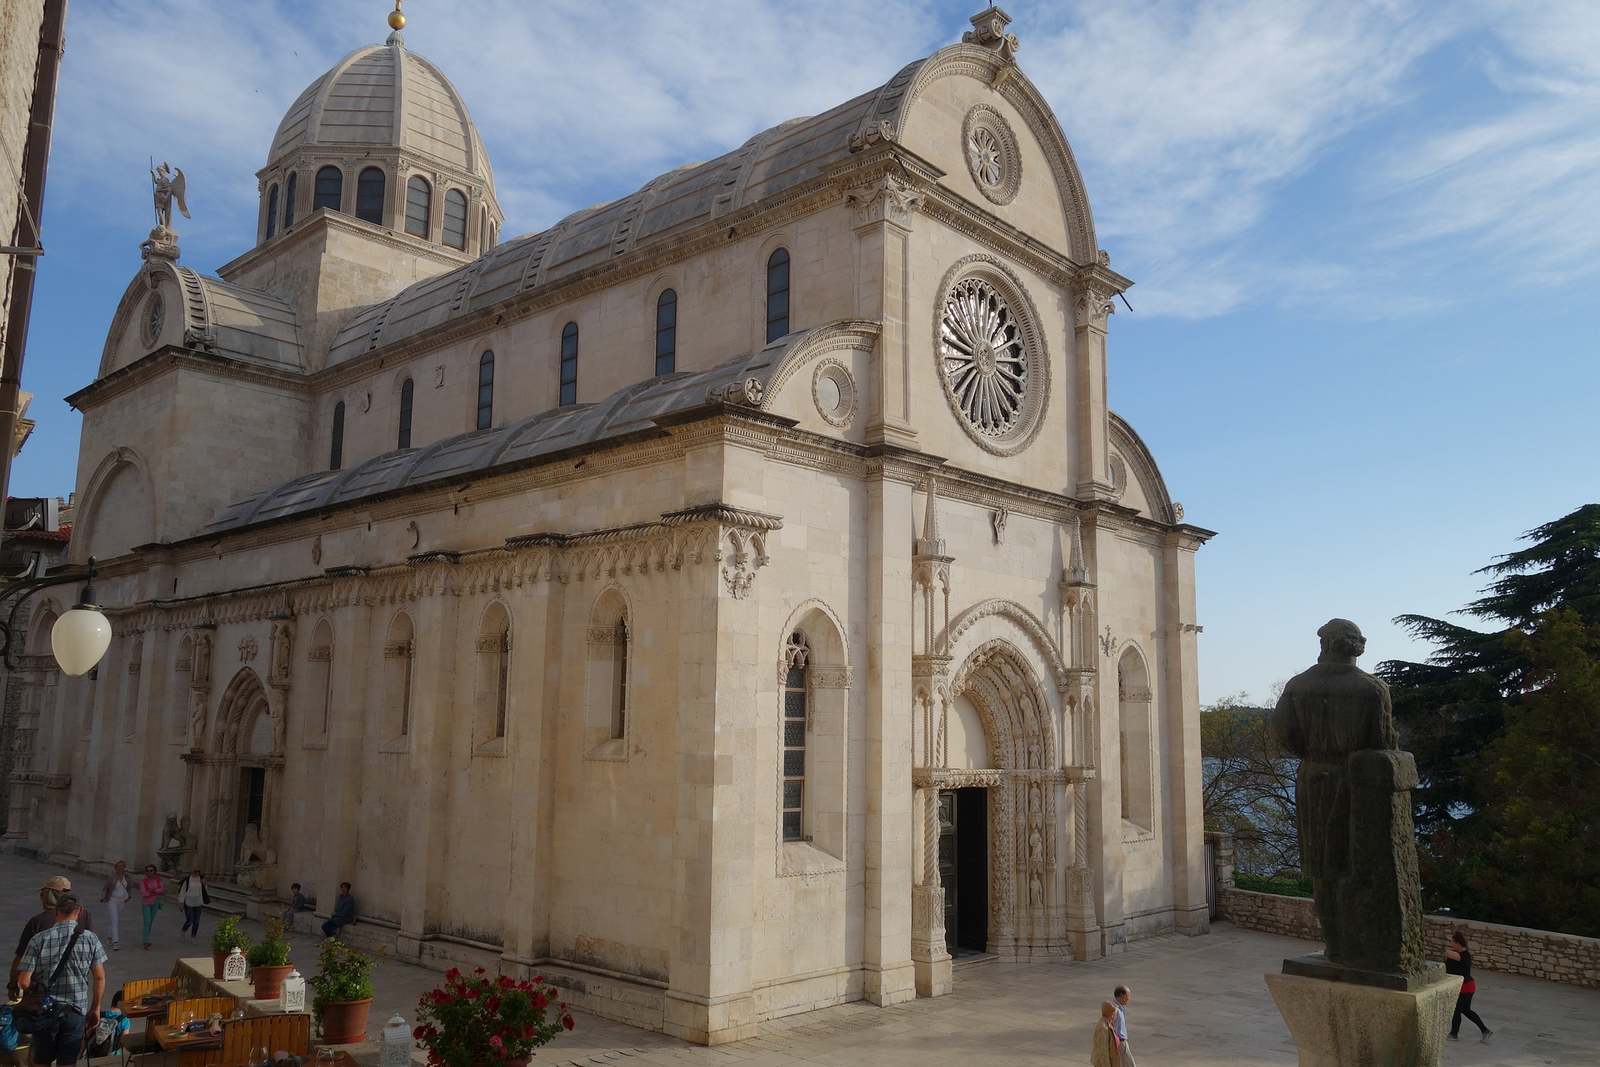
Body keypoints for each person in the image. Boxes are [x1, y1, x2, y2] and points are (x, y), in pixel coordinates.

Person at [16, 893, 107, 1066]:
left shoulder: (39, 939)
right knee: (67, 1062)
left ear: (56, 912)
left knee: (41, 1060)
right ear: (79, 911)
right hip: (75, 1011)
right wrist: (96, 1007)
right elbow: (100, 977)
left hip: (45, 1010)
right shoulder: (90, 939)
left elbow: (23, 981)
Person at [9, 877, 93, 998]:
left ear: (49, 895)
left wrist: (12, 986)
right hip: (75, 991)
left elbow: (21, 958)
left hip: (42, 991)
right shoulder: (84, 915)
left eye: (43, 894)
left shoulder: (38, 921)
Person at [1446, 929, 1492, 1043]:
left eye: (1452, 942)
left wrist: (1448, 953)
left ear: (1457, 943)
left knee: (1457, 1010)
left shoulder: (1461, 955)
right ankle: (1485, 1030)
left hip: (1465, 987)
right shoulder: (1464, 954)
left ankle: (1454, 1034)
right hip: (1469, 986)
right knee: (1466, 1010)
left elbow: (1447, 953)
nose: (1451, 944)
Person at [98, 861, 132, 951]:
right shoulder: (112, 878)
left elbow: (129, 888)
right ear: (115, 868)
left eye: (122, 866)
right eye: (118, 866)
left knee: (114, 920)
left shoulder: (127, 878)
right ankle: (115, 942)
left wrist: (129, 897)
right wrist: (103, 897)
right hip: (112, 900)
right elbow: (105, 888)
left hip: (122, 901)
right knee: (115, 920)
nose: (120, 868)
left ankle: (109, 936)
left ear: (124, 867)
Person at [176, 868, 211, 938]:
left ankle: (193, 935)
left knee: (197, 921)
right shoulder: (187, 880)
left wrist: (204, 884)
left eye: (198, 872)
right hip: (189, 902)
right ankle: (184, 930)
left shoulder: (201, 880)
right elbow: (182, 891)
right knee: (190, 920)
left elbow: (205, 891)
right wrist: (181, 902)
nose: (196, 873)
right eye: (195, 872)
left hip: (198, 902)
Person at [138, 865, 165, 949]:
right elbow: (143, 893)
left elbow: (162, 889)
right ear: (146, 872)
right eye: (148, 871)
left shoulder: (158, 880)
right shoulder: (143, 882)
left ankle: (146, 938)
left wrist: (152, 891)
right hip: (146, 903)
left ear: (154, 871)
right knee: (147, 922)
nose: (150, 872)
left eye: (152, 870)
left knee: (150, 922)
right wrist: (155, 892)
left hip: (155, 903)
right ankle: (146, 941)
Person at [1090, 1000, 1122, 1067]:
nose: (1116, 1016)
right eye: (1116, 1013)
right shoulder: (1103, 1028)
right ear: (1112, 1014)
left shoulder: (1108, 1023)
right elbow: (1103, 1051)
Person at [1112, 985, 1136, 1066]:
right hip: (1120, 1043)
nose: (1129, 999)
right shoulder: (1114, 1009)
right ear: (1121, 996)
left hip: (1122, 1041)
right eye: (1127, 996)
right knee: (1130, 1064)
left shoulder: (1121, 1007)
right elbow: (1110, 1027)